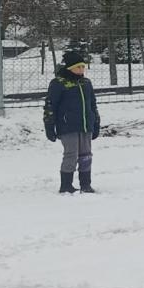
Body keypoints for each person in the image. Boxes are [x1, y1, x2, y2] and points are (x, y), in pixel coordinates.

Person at [43, 48, 101, 194]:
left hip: (86, 125)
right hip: (68, 126)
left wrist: (96, 121)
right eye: (78, 67)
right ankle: (66, 185)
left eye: (83, 66)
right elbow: (51, 105)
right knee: (71, 154)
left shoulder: (86, 83)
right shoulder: (59, 83)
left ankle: (85, 184)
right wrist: (49, 125)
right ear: (70, 68)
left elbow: (92, 104)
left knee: (86, 154)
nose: (82, 69)